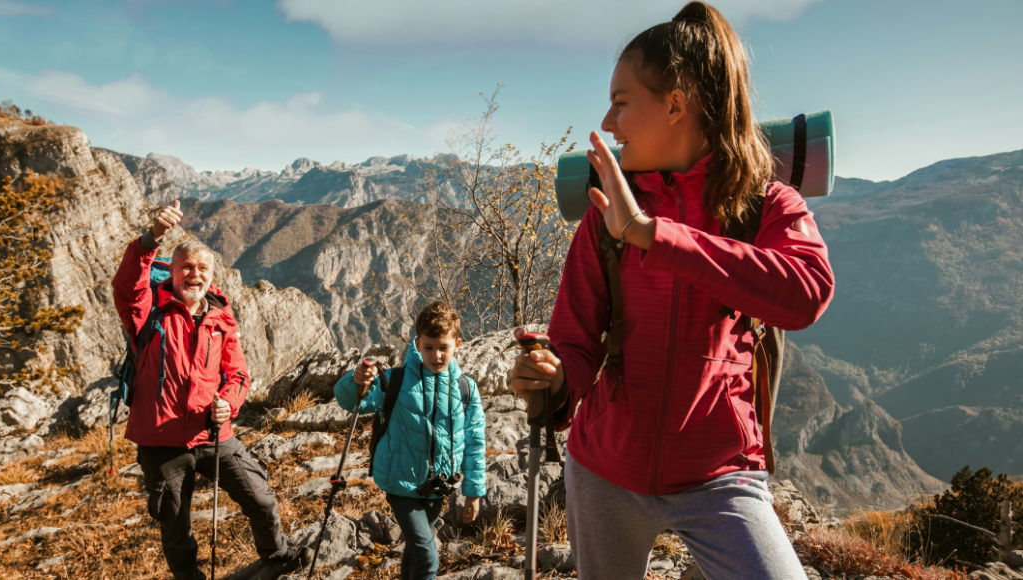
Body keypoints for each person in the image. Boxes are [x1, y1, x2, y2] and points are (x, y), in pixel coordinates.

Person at [509, 3, 835, 579]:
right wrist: (555, 377)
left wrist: (652, 236)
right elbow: (576, 340)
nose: (609, 123)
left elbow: (806, 292)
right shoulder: (603, 215)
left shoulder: (766, 205)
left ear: (676, 104)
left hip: (720, 475)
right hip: (604, 469)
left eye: (621, 102)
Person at [111, 200, 311, 580]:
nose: (194, 274)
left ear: (212, 275)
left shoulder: (222, 316)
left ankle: (277, 555)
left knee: (260, 498)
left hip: (212, 432)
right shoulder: (147, 310)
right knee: (176, 529)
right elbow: (125, 284)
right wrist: (151, 238)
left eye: (203, 268)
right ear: (171, 271)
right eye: (186, 266)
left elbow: (238, 376)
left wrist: (229, 406)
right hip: (160, 441)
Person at [335, 302, 487, 580]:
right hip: (401, 484)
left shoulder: (466, 389)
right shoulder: (396, 380)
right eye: (428, 347)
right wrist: (355, 381)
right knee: (427, 556)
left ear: (458, 344)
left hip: (438, 487)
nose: (437, 355)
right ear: (417, 343)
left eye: (444, 347)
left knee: (415, 553)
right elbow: (353, 403)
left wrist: (474, 492)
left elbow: (475, 441)